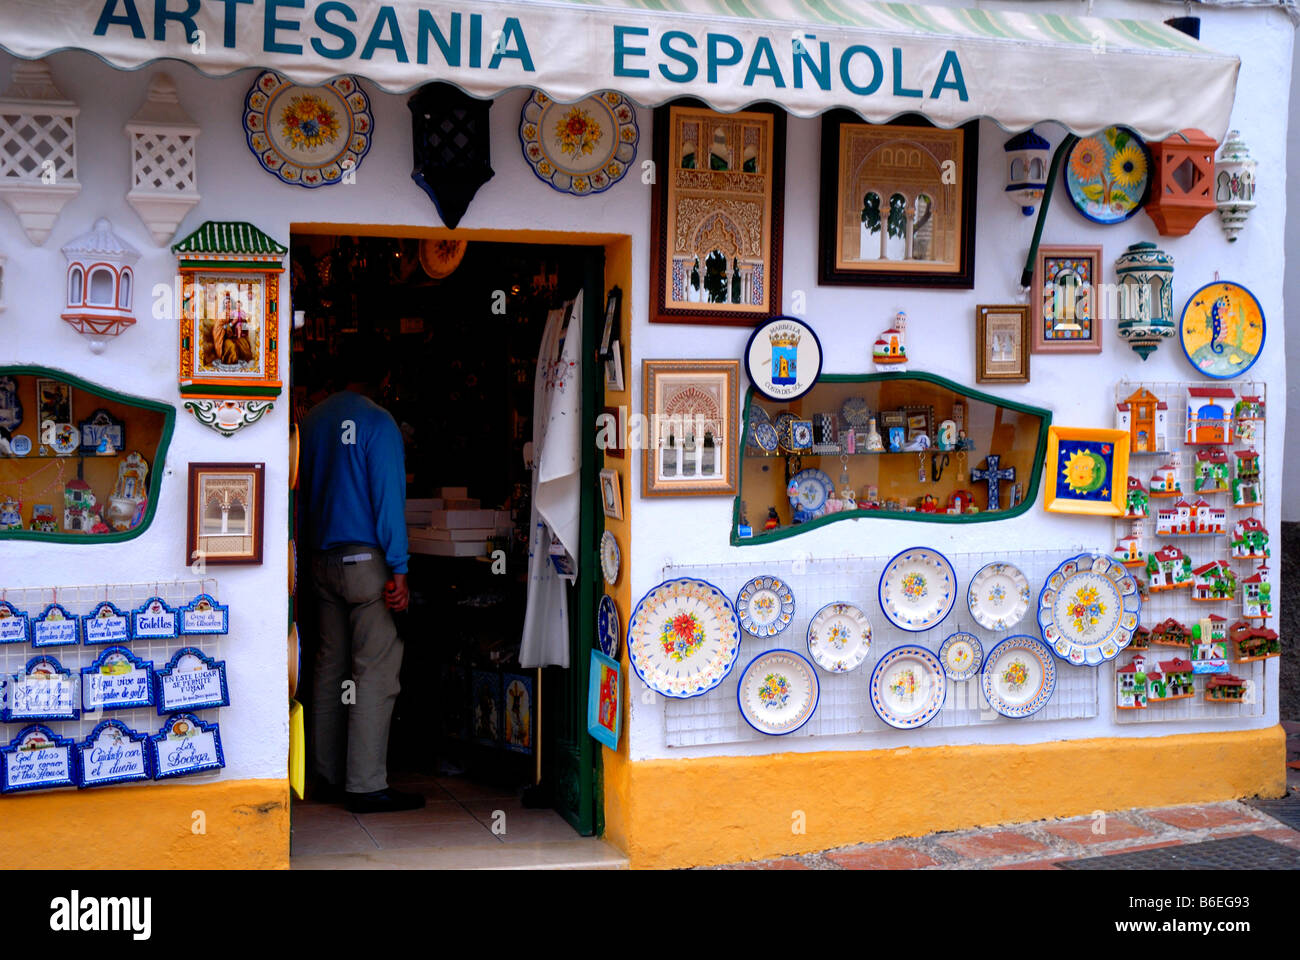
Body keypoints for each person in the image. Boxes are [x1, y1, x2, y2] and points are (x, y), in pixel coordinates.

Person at [299, 352, 422, 814]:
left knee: (329, 668)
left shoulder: (312, 421)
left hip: (320, 561)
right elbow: (388, 499)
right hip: (366, 564)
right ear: (385, 378)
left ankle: (325, 775)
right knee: (375, 671)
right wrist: (400, 568)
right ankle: (366, 785)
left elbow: (301, 493)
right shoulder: (379, 422)